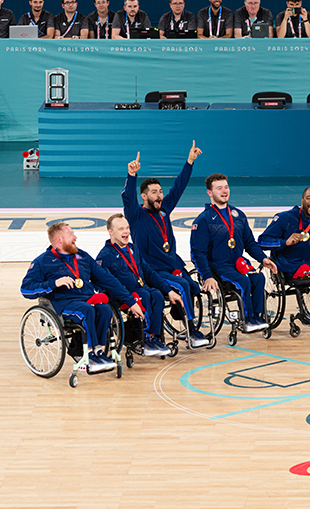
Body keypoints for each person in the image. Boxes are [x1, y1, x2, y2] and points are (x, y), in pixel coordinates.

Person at [21, 222, 145, 372]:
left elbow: (108, 280)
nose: (75, 237)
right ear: (59, 240)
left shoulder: (83, 257)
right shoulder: (43, 261)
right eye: (71, 235)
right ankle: (89, 354)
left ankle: (98, 351)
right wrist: (54, 283)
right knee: (87, 310)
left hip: (86, 299)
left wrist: (130, 302)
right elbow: (26, 288)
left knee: (105, 309)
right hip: (64, 304)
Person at [122, 143, 210, 348]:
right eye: (154, 192)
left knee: (193, 287)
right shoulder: (136, 215)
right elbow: (128, 198)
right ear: (144, 196)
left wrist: (189, 162)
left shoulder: (164, 210)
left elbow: (179, 186)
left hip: (172, 265)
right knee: (182, 286)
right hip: (153, 270)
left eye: (160, 191)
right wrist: (131, 175)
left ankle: (181, 316)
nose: (159, 195)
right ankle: (191, 331)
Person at [191, 173, 279, 332]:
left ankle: (257, 317)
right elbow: (198, 253)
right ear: (209, 193)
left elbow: (250, 243)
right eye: (219, 188)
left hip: (238, 262)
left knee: (258, 278)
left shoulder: (238, 215)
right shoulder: (203, 220)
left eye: (226, 187)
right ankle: (247, 320)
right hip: (218, 266)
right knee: (244, 282)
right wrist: (207, 276)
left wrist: (263, 259)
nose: (224, 191)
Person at [97, 214, 184, 356]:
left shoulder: (133, 249)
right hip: (122, 295)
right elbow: (106, 283)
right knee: (144, 295)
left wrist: (168, 290)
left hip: (140, 288)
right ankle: (142, 339)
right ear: (110, 232)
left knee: (156, 294)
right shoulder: (105, 256)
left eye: (127, 228)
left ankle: (154, 337)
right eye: (121, 229)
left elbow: (148, 272)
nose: (126, 232)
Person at [257, 187, 310, 319]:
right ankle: (301, 271)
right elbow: (262, 242)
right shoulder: (284, 218)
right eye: (309, 198)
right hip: (289, 266)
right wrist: (285, 242)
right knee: (299, 274)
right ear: (302, 200)